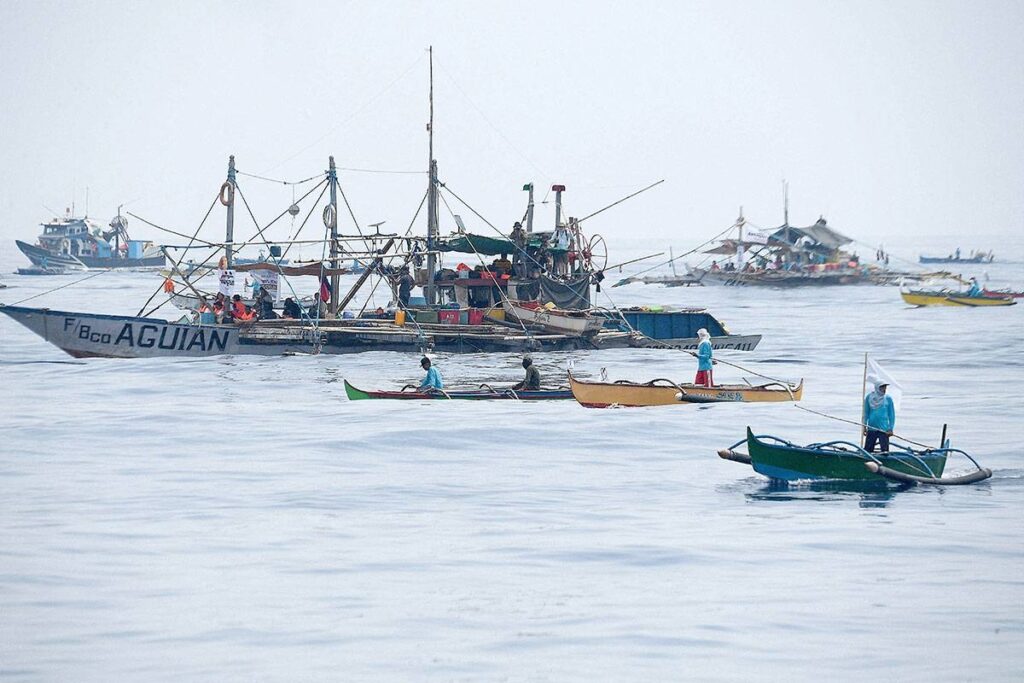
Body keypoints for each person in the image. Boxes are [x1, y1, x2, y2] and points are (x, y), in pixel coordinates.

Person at [863, 381, 895, 453]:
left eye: (885, 387)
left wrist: (890, 428)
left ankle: (884, 462)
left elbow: (891, 415)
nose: (884, 389)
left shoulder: (888, 398)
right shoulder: (869, 397)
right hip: (871, 428)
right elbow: (866, 413)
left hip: (884, 429)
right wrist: (864, 426)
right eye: (882, 387)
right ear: (877, 388)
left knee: (885, 451)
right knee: (868, 450)